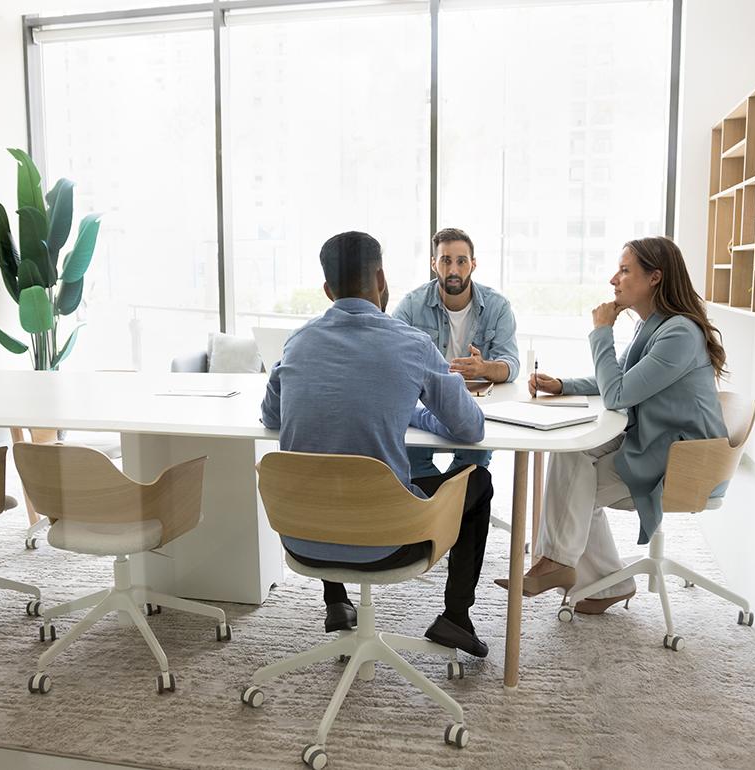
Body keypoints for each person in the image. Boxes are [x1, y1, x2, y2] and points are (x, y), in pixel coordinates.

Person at [260, 231, 493, 657]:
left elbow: (272, 417)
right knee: (477, 478)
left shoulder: (296, 344)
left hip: (300, 536)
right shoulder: (412, 344)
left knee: (327, 456)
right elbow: (470, 428)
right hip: (389, 540)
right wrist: (417, 406)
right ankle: (455, 617)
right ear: (382, 279)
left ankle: (336, 601)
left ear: (328, 290)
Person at [497, 236, 728, 615]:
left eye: (624, 270)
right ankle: (592, 577)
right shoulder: (655, 326)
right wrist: (565, 385)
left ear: (655, 278)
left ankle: (565, 565)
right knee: (573, 455)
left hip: (685, 464)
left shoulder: (679, 334)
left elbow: (618, 394)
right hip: (658, 444)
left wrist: (601, 330)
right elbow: (622, 378)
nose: (613, 279)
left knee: (576, 486)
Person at [392, 227, 519, 479]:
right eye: (445, 260)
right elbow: (390, 354)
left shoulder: (497, 306)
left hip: (472, 405)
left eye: (461, 261)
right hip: (424, 403)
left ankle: (451, 509)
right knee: (409, 451)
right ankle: (443, 509)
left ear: (473, 264)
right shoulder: (411, 304)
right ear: (433, 264)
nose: (453, 270)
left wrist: (484, 368)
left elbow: (511, 364)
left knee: (475, 458)